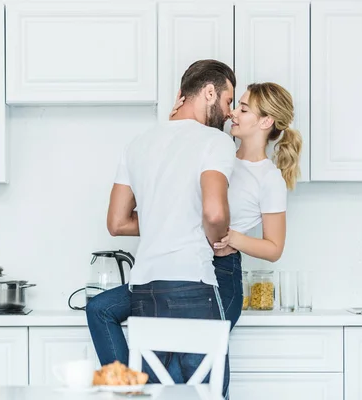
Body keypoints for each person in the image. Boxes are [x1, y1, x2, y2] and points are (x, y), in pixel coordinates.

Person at [87, 79, 302, 394]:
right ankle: (127, 390)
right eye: (234, 105)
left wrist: (231, 238)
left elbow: (274, 248)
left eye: (242, 108)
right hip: (178, 268)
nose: (232, 114)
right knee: (104, 311)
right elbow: (175, 210)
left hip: (221, 273)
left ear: (266, 121)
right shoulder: (211, 149)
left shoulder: (269, 179)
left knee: (188, 373)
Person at [101, 59, 238, 388]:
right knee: (208, 395)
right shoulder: (215, 142)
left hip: (145, 289)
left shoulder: (138, 144)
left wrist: (164, 216)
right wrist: (220, 239)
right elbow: (215, 213)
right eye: (228, 100)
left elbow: (117, 222)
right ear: (208, 92)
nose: (231, 112)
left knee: (154, 395)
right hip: (192, 284)